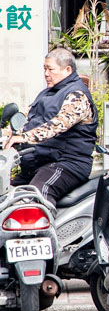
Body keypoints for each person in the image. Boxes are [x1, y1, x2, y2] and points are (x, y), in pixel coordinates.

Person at [3, 48, 97, 204]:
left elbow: (57, 125)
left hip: (67, 163)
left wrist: (23, 137)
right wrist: (8, 136)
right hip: (40, 162)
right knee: (6, 193)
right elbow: (29, 122)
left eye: (51, 69)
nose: (46, 73)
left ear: (67, 69)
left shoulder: (77, 95)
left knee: (38, 194)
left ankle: (44, 229)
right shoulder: (46, 93)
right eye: (44, 69)